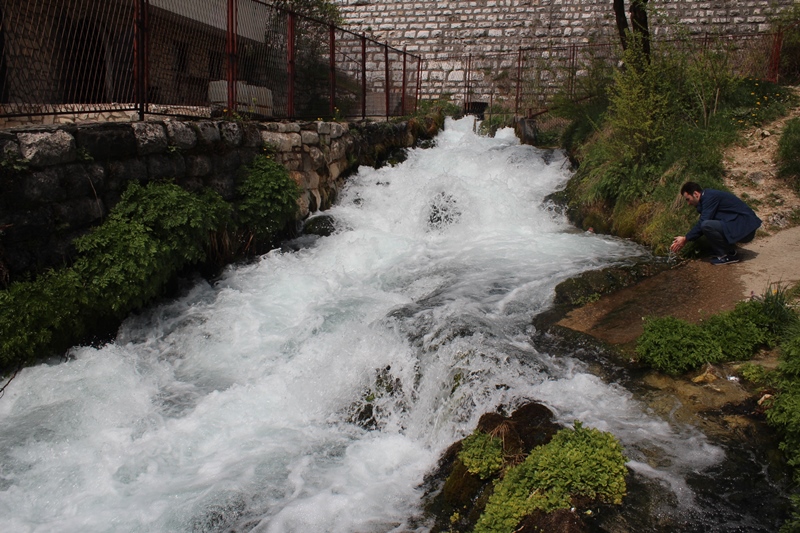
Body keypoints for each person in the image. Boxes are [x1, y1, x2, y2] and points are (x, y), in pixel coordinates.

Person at [670, 181, 761, 265]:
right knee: (708, 225)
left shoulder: (710, 197)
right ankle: (728, 251)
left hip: (745, 229)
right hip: (741, 226)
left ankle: (727, 256)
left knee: (706, 225)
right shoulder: (707, 197)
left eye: (688, 199)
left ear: (696, 194)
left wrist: (685, 239)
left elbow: (703, 223)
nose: (688, 203)